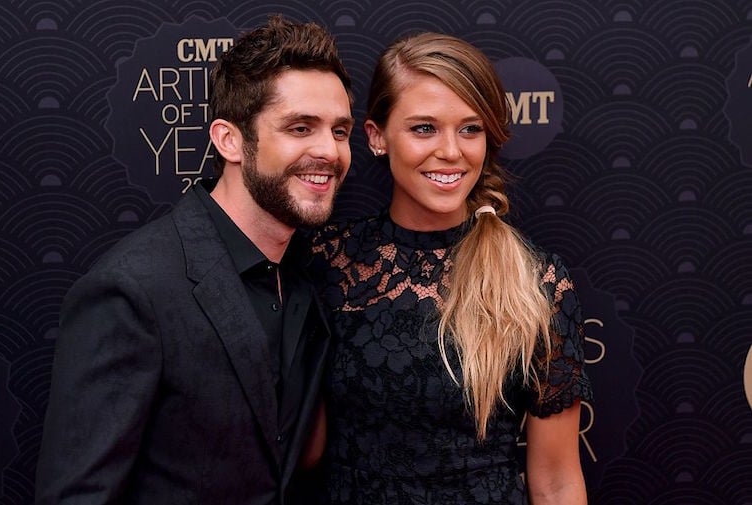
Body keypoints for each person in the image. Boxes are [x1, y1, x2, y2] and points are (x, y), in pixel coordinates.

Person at [35, 15, 354, 504]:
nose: (328, 151)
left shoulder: (312, 276)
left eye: (339, 130)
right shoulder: (132, 291)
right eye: (299, 127)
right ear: (229, 140)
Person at [310, 32, 592, 504]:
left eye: (470, 128)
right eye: (424, 128)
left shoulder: (537, 281)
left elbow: (558, 481)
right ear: (377, 137)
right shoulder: (328, 262)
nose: (452, 151)